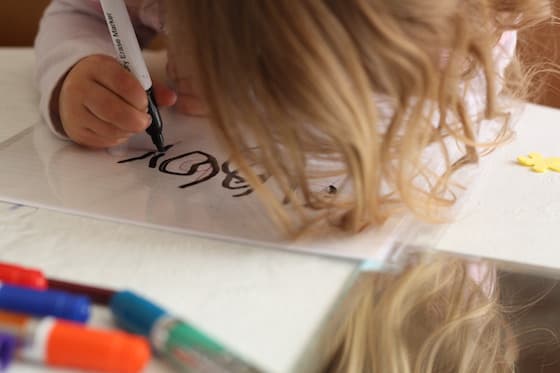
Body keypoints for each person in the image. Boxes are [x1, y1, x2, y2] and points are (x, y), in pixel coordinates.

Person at [35, 1, 552, 372]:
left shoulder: (454, 30)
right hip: (197, 279)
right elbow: (79, 14)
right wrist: (77, 76)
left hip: (418, 305)